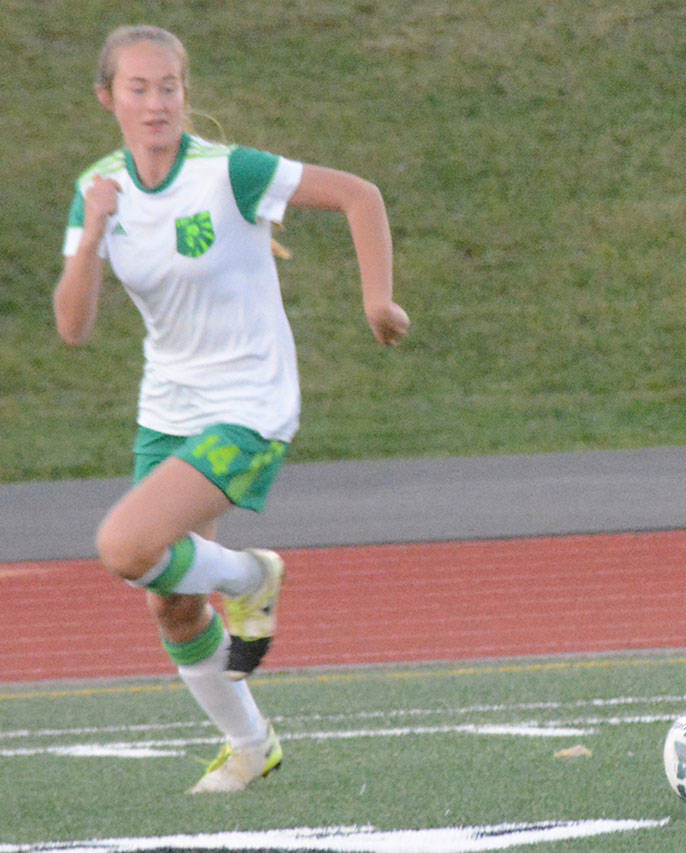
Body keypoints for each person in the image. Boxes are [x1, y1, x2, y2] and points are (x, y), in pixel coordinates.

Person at [53, 25, 409, 794]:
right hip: (168, 407)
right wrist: (92, 237)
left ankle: (251, 577)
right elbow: (72, 327)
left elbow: (358, 195)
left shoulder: (229, 173)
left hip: (250, 399)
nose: (155, 103)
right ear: (107, 97)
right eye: (138, 88)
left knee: (124, 544)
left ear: (186, 93)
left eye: (168, 87)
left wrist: (377, 298)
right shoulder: (98, 188)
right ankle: (251, 744)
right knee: (173, 605)